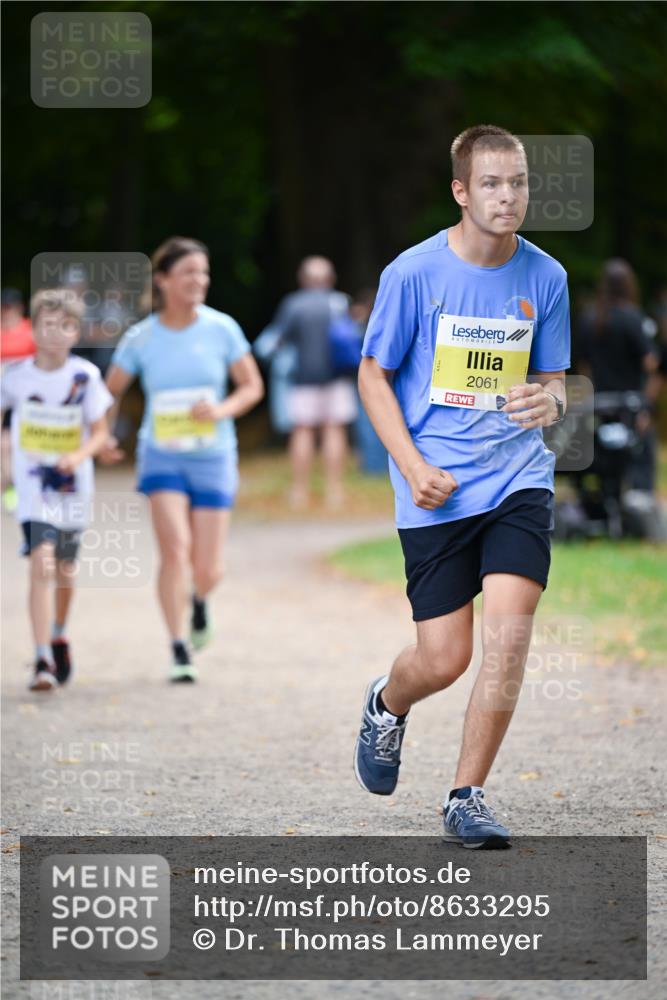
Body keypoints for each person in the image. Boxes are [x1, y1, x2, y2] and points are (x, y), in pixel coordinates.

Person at [354, 125, 570, 848]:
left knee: (506, 636)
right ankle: (387, 704)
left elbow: (552, 382)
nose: (507, 197)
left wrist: (552, 403)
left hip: (516, 478)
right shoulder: (412, 274)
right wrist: (412, 466)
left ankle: (465, 795)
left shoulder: (546, 277)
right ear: (460, 191)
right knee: (444, 659)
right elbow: (372, 375)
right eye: (490, 183)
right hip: (435, 487)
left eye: (517, 183)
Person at [105, 237, 264, 683]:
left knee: (208, 568)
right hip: (161, 456)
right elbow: (109, 392)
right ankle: (177, 648)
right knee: (174, 550)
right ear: (163, 280)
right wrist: (103, 436)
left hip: (212, 455)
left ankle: (198, 600)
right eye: (189, 272)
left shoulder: (221, 329)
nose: (199, 280)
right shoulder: (142, 337)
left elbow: (252, 386)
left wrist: (220, 410)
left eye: (203, 272)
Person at [1, 289, 113, 690]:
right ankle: (41, 658)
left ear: (75, 330)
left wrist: (80, 455)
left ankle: (59, 632)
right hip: (33, 492)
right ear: (35, 327)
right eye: (47, 324)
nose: (54, 333)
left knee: (65, 571)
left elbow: (101, 432)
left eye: (64, 325)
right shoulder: (15, 379)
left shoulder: (85, 377)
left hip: (71, 491)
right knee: (41, 563)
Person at [271, 256, 356, 509]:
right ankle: (334, 491)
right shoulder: (340, 302)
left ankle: (299, 492)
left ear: (303, 279)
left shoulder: (293, 304)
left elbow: (278, 340)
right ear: (330, 279)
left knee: (303, 431)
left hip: (303, 379)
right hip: (337, 377)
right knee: (334, 430)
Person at [575, 258, 660, 492]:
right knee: (637, 459)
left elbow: (584, 369)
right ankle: (637, 508)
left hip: (600, 404)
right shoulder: (632, 318)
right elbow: (652, 365)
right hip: (629, 405)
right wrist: (646, 406)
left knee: (602, 458)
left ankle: (602, 506)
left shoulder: (589, 318)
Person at [1, 288, 35, 511]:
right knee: (4, 444)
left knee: (21, 443)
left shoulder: (30, 331)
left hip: (26, 396)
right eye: (4, 308)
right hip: (3, 395)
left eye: (10, 307)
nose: (7, 312)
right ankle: (11, 485)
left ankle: (26, 484)